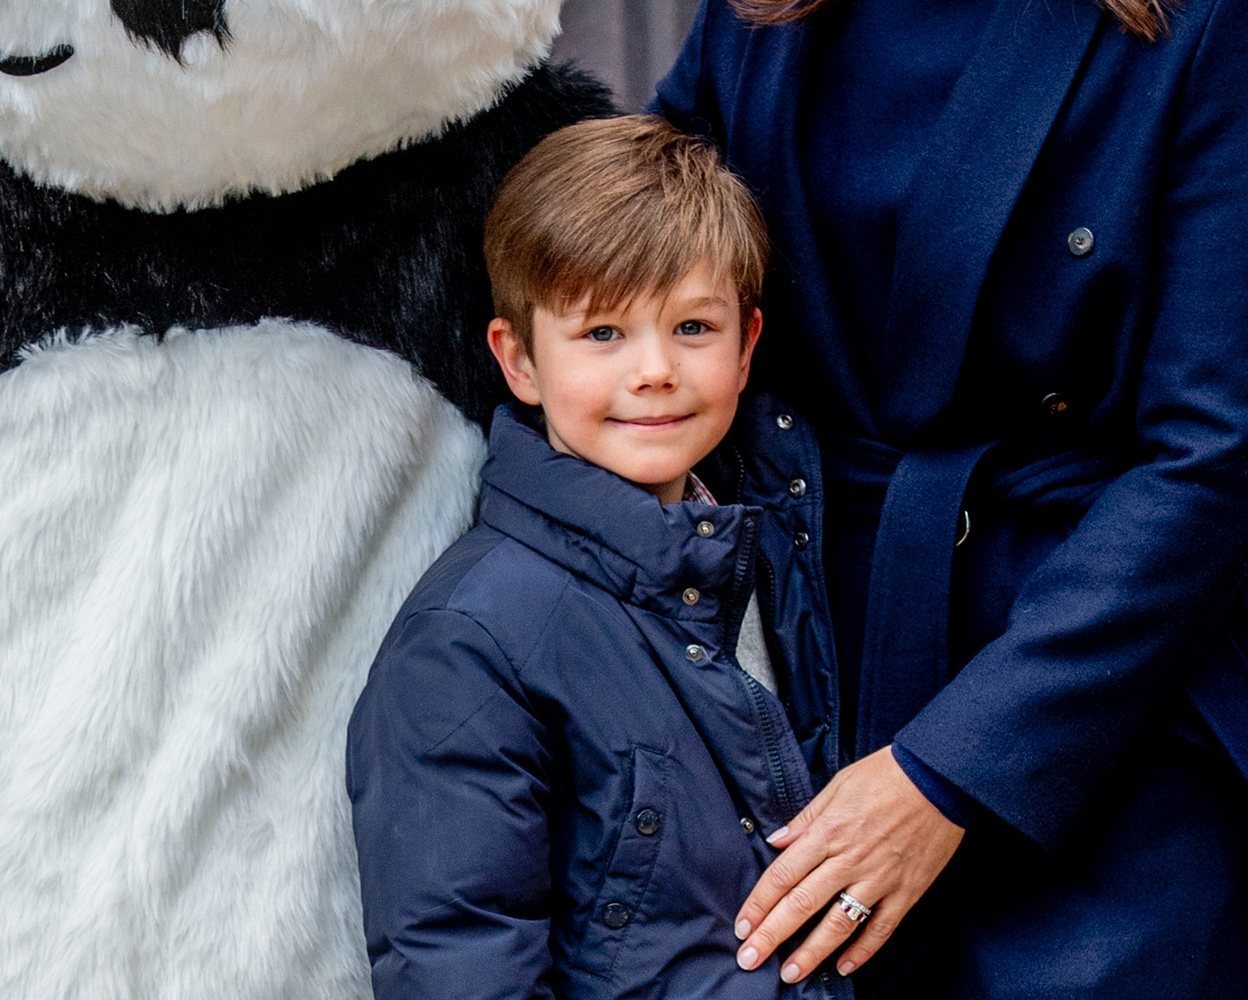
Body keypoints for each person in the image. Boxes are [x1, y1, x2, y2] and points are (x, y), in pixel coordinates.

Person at [652, 0, 1248, 996]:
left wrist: (950, 769)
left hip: (1091, 713)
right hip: (798, 679)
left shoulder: (1199, 24)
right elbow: (608, 270)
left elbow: (1212, 454)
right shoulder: (752, 18)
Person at [346, 115, 854, 999]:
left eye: (694, 327)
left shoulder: (778, 557)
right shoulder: (469, 641)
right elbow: (461, 964)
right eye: (604, 334)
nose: (655, 370)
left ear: (748, 348)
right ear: (521, 361)